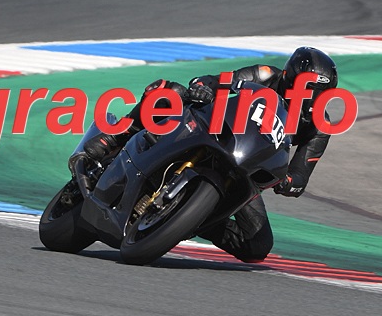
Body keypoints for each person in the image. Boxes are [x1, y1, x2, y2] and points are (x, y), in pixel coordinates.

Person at [81, 47, 338, 263]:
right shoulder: (266, 74)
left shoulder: (319, 125)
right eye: (310, 88)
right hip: (213, 129)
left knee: (258, 245)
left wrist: (288, 182)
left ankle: (194, 219)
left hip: (244, 166)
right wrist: (204, 88)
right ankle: (115, 136)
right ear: (290, 78)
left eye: (323, 93)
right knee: (168, 92)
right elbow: (217, 81)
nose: (315, 98)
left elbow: (300, 174)